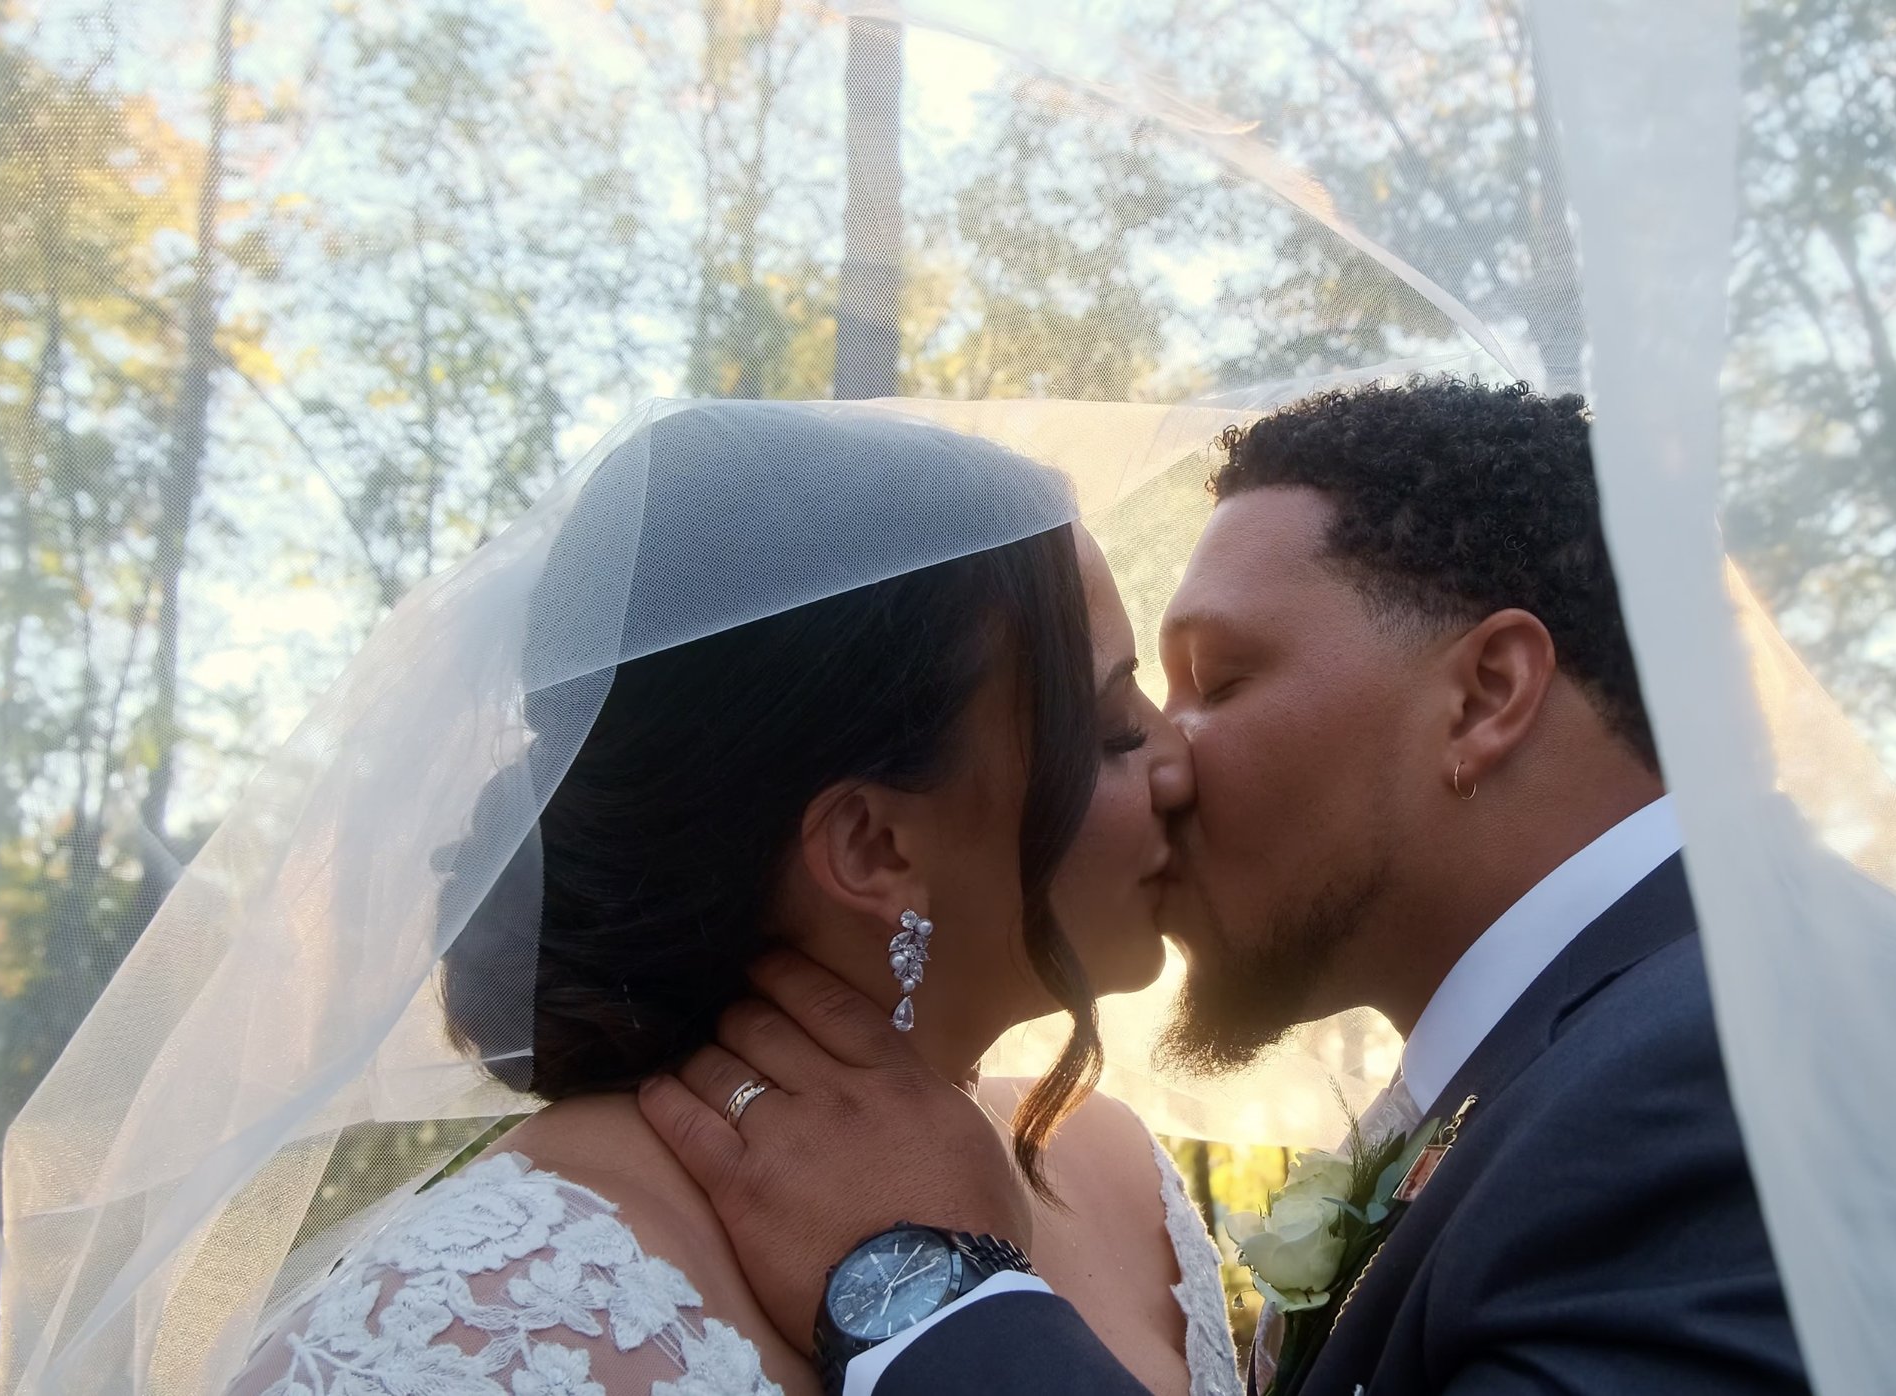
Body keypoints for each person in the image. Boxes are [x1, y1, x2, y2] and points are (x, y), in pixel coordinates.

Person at [641, 379, 1813, 1395]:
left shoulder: (1712, 1075)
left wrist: (925, 1298)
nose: (1171, 758)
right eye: (1121, 719)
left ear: (1486, 694)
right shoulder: (1624, 1057)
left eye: (1218, 678)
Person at [211, 402, 1239, 1396]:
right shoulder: (488, 1319)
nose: (1179, 763)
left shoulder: (1120, 1177)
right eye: (1109, 732)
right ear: (873, 845)